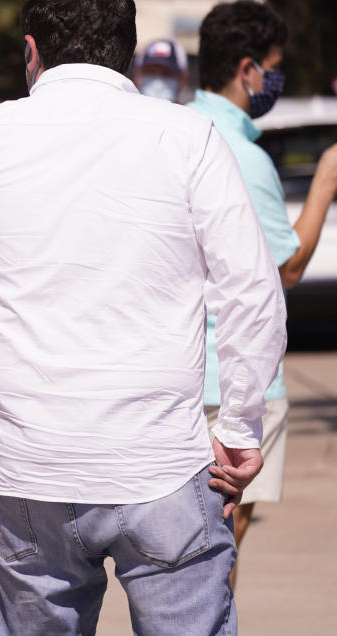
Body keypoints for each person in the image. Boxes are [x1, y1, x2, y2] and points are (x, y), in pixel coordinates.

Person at [0, 0, 287, 634]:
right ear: (130, 53)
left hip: (30, 464)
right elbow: (251, 290)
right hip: (160, 459)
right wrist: (242, 427)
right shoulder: (186, 135)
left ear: (31, 50)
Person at [189, 0, 337, 590]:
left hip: (185, 371)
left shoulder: (182, 130)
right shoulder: (242, 155)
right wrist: (326, 176)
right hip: (235, 385)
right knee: (216, 559)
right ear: (249, 69)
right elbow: (290, 267)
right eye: (273, 66)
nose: (274, 79)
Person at [133, 38, 189, 103]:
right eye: (150, 72)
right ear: (137, 75)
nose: (157, 84)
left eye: (167, 73)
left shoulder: (193, 113)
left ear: (183, 79)